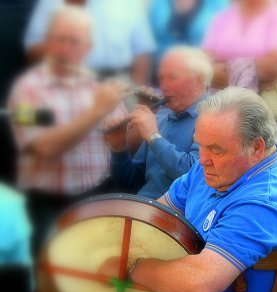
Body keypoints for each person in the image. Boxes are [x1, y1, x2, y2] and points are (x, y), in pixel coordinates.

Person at [100, 87, 277, 292]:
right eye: (200, 145)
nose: (202, 160)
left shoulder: (266, 201)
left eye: (216, 150)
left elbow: (201, 280)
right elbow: (156, 215)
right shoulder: (215, 169)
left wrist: (130, 267)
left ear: (256, 148)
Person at [8, 5, 127, 257]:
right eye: (59, 40)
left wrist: (146, 119)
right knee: (50, 283)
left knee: (94, 276)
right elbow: (44, 148)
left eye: (74, 42)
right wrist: (96, 111)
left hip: (97, 196)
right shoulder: (26, 89)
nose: (65, 49)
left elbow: (124, 141)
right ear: (47, 42)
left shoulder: (97, 85)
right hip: (48, 204)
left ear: (87, 48)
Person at [105, 46, 211, 199]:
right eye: (161, 78)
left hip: (176, 218)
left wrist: (154, 137)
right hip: (141, 211)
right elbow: (130, 186)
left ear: (198, 80)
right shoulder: (162, 119)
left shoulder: (213, 117)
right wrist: (119, 148)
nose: (164, 86)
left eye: (172, 77)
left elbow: (196, 178)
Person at [24, 0, 156, 84]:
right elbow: (33, 47)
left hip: (121, 84)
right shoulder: (51, 3)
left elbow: (142, 50)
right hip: (73, 82)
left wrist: (139, 96)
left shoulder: (128, 2)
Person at [148, 0, 228, 84]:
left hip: (203, 79)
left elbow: (223, 47)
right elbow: (147, 45)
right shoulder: (159, 3)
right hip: (159, 77)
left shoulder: (217, 3)